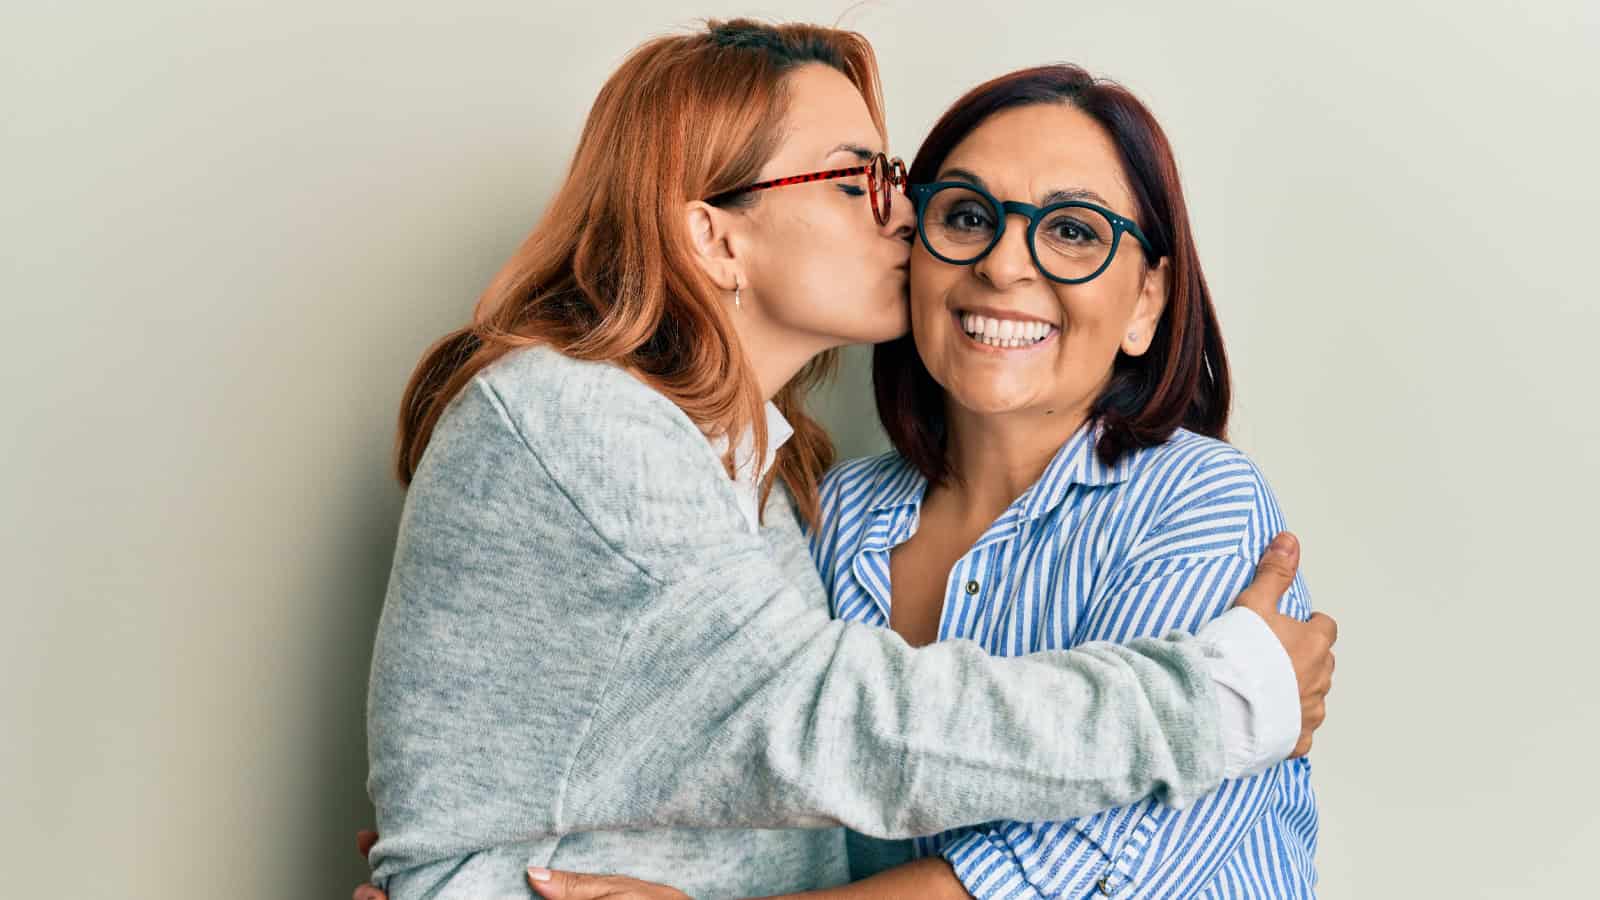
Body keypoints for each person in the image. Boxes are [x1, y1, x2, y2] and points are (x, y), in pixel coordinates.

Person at [359, 21, 1336, 900]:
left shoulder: (775, 488)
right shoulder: (627, 437)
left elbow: (1089, 865)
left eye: (1074, 232)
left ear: (1148, 300)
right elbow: (825, 728)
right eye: (861, 182)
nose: (907, 220)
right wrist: (1217, 699)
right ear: (713, 237)